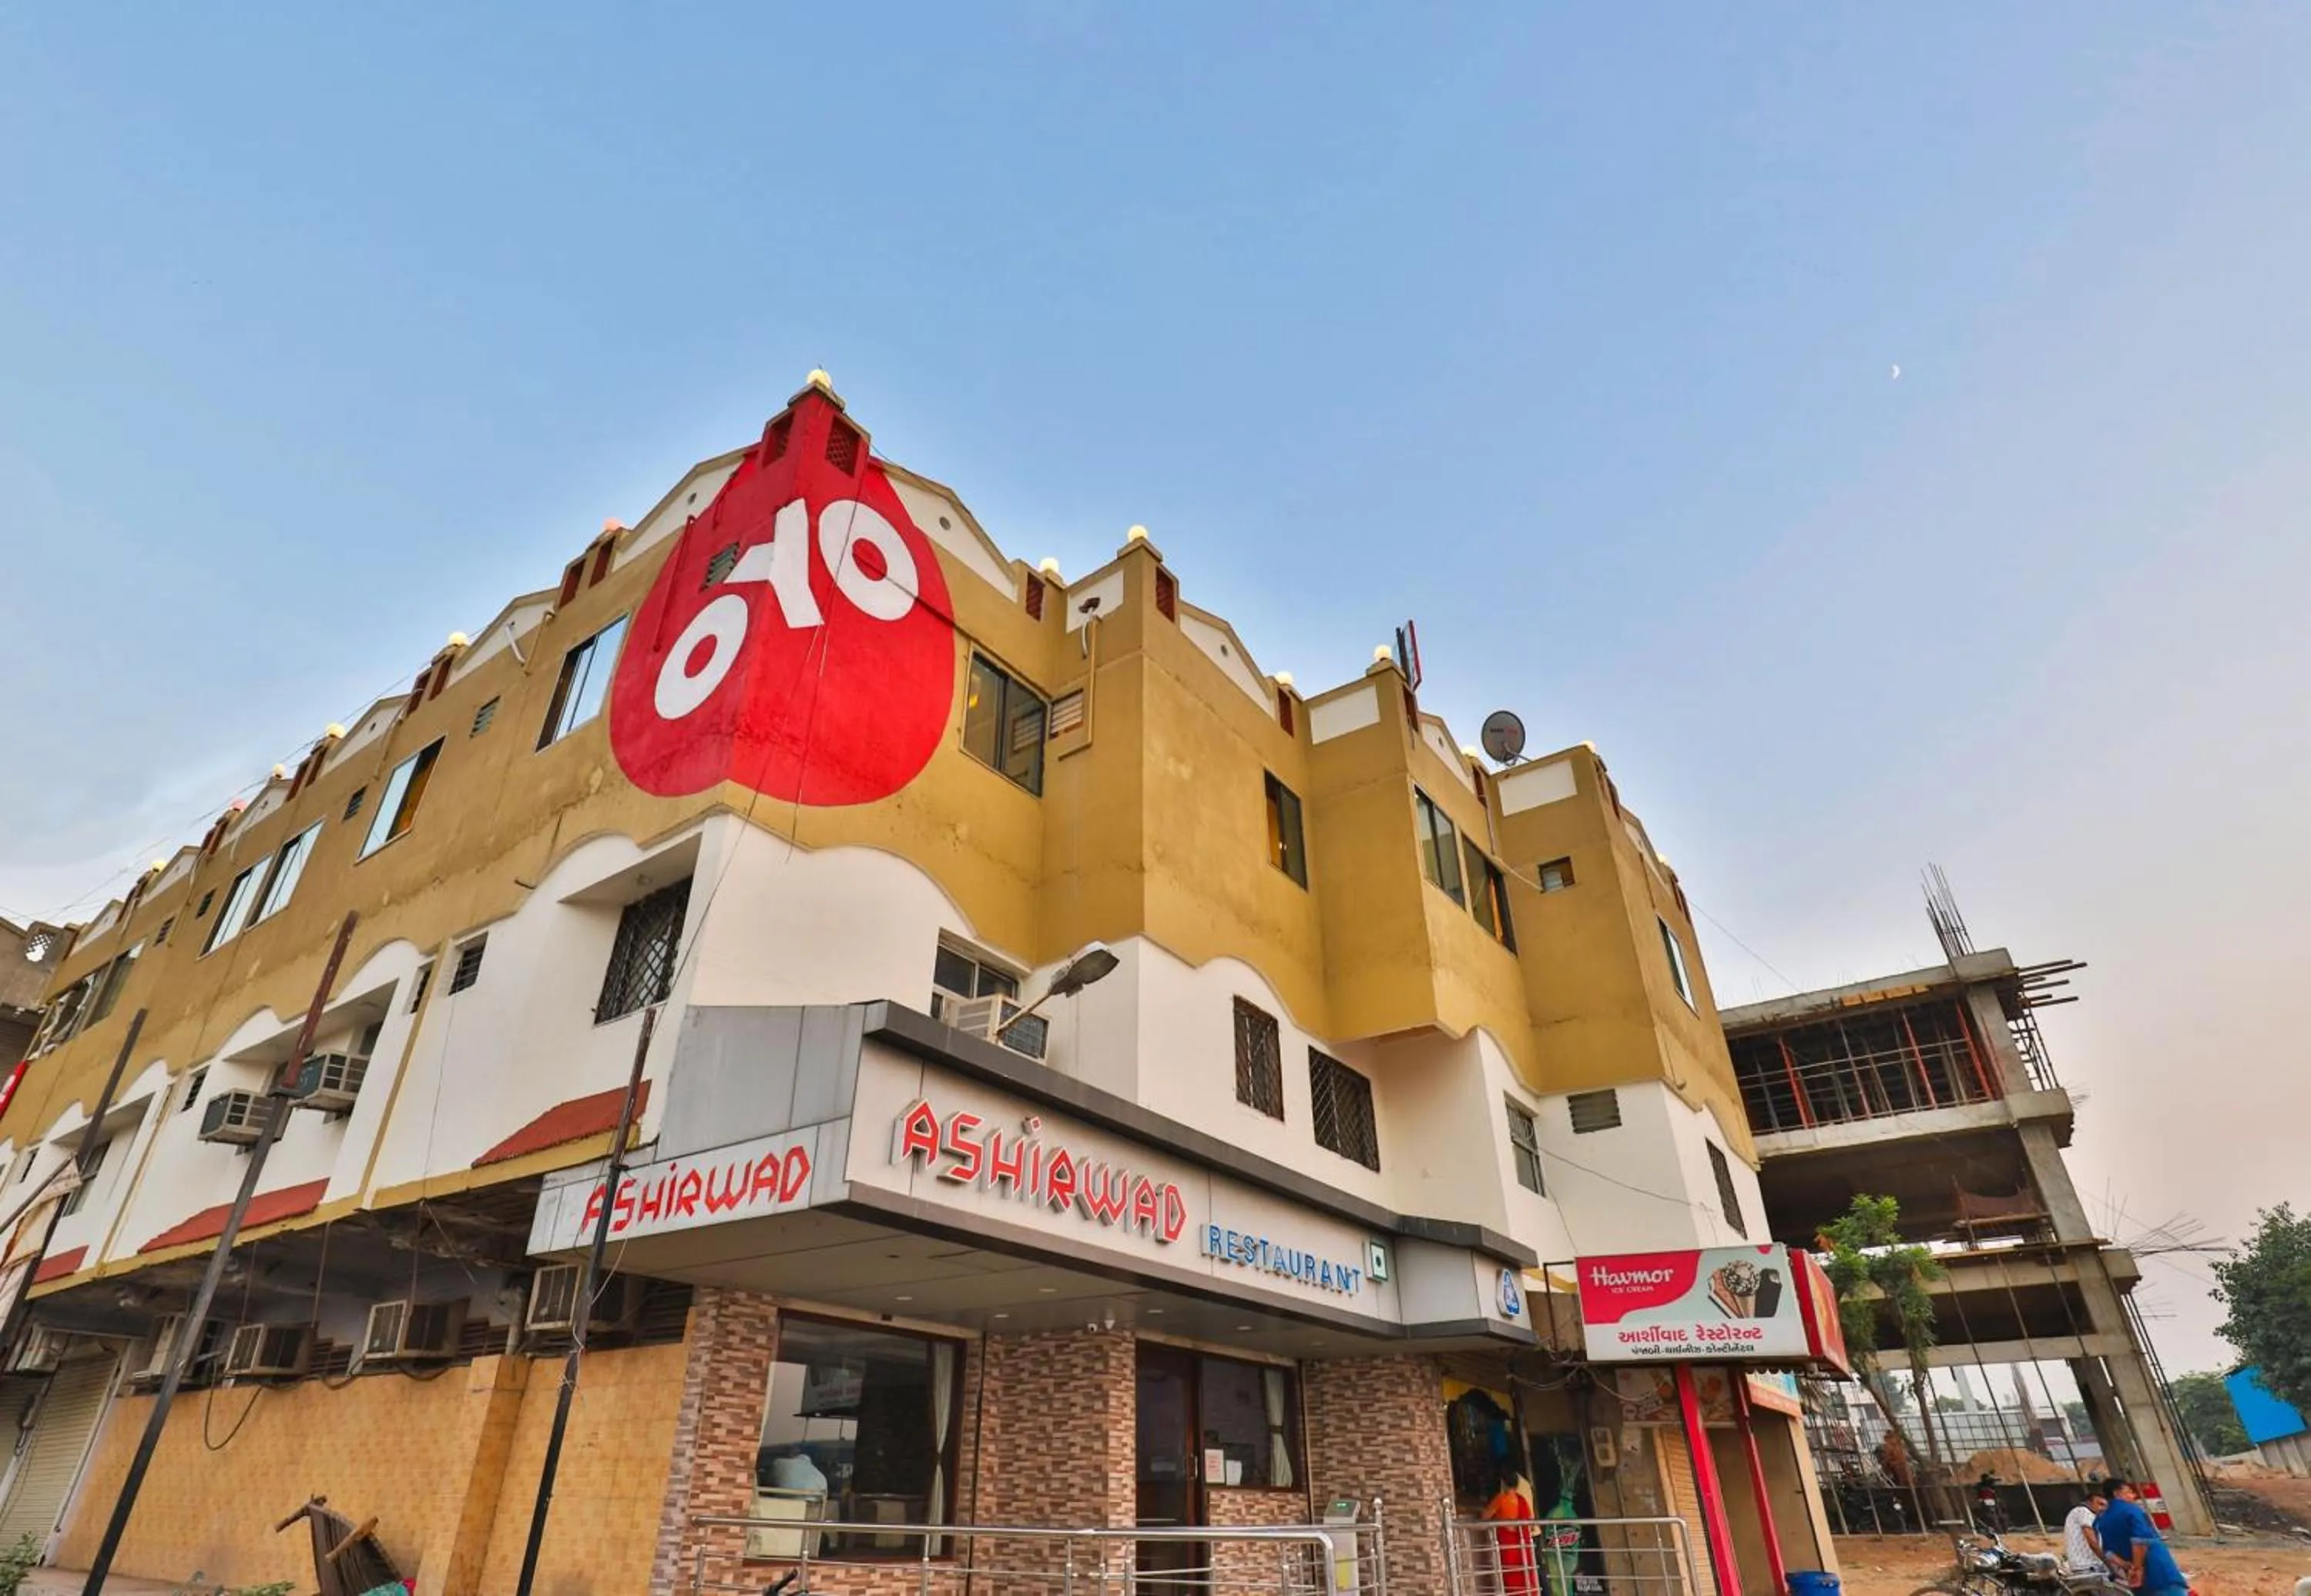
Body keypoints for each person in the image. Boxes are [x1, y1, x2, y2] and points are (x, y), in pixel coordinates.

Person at [2094, 1478, 2186, 1595]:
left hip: (2136, 1581)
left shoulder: (2101, 1519)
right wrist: (2137, 1568)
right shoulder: (2132, 1510)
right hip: (2158, 1571)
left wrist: (2127, 1566)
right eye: (2129, 1492)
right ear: (2117, 1494)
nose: (2134, 1496)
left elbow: (2108, 1552)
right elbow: (2139, 1542)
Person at [1483, 1467, 1539, 1596]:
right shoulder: (1522, 1500)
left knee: (1511, 1581)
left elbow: (1485, 1517)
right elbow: (1530, 1524)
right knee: (1524, 1577)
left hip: (1508, 1547)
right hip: (1522, 1548)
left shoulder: (1501, 1499)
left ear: (1503, 1482)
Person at [2063, 1486, 2110, 1577]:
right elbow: (2092, 1542)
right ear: (2089, 1503)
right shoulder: (2084, 1512)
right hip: (2087, 1565)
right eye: (2100, 1504)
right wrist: (2107, 1561)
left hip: (2087, 1565)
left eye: (2105, 1506)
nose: (2103, 1508)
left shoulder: (2090, 1515)